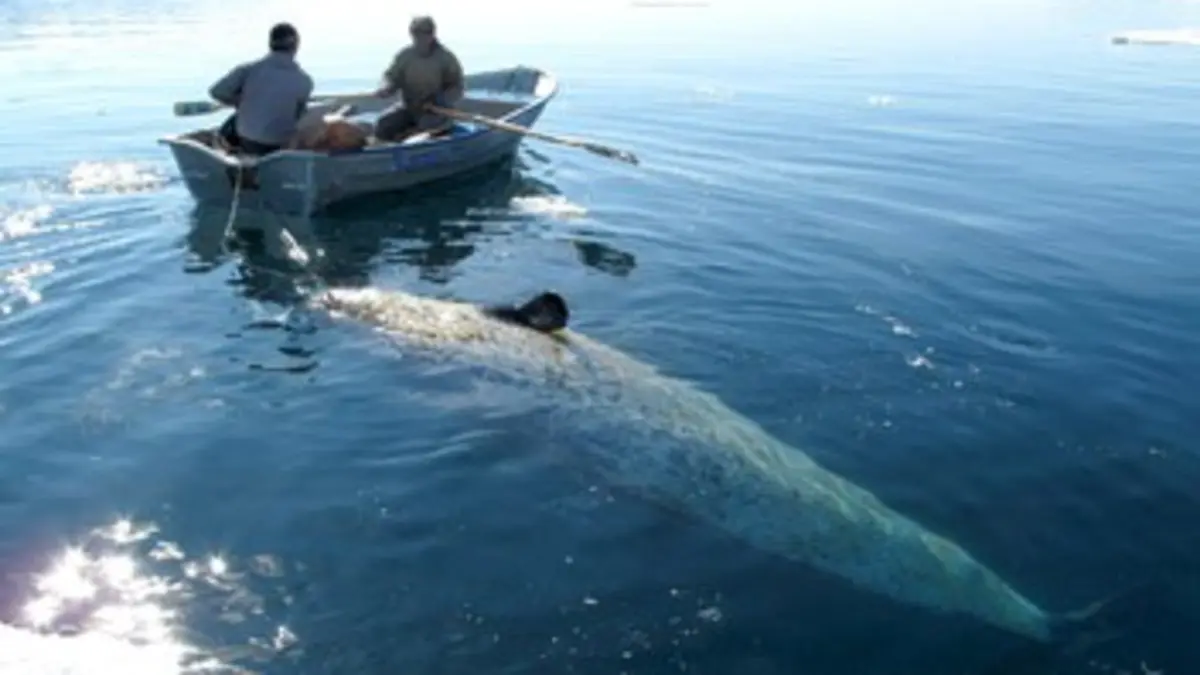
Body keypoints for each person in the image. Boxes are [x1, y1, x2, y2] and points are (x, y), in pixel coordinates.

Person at [209, 23, 314, 156]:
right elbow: (299, 116)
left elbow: (216, 92)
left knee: (232, 122)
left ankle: (230, 151)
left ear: (270, 44)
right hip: (281, 143)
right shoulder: (305, 81)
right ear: (296, 46)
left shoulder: (248, 70)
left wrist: (237, 101)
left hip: (250, 141)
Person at [372, 16, 465, 142]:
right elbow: (391, 77)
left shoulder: (445, 58)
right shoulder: (405, 56)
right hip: (408, 107)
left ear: (432, 33)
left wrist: (439, 100)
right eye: (416, 33)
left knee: (422, 131)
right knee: (383, 123)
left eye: (425, 32)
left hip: (437, 111)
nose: (420, 37)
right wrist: (386, 87)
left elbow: (457, 87)